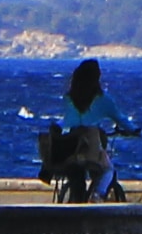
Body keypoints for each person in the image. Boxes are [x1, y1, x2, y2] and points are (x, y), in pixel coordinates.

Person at [54, 57, 131, 203]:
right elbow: (118, 117)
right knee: (108, 170)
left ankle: (75, 200)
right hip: (90, 147)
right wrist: (132, 130)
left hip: (72, 148)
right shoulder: (99, 99)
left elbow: (67, 120)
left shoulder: (71, 97)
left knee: (76, 176)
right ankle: (98, 194)